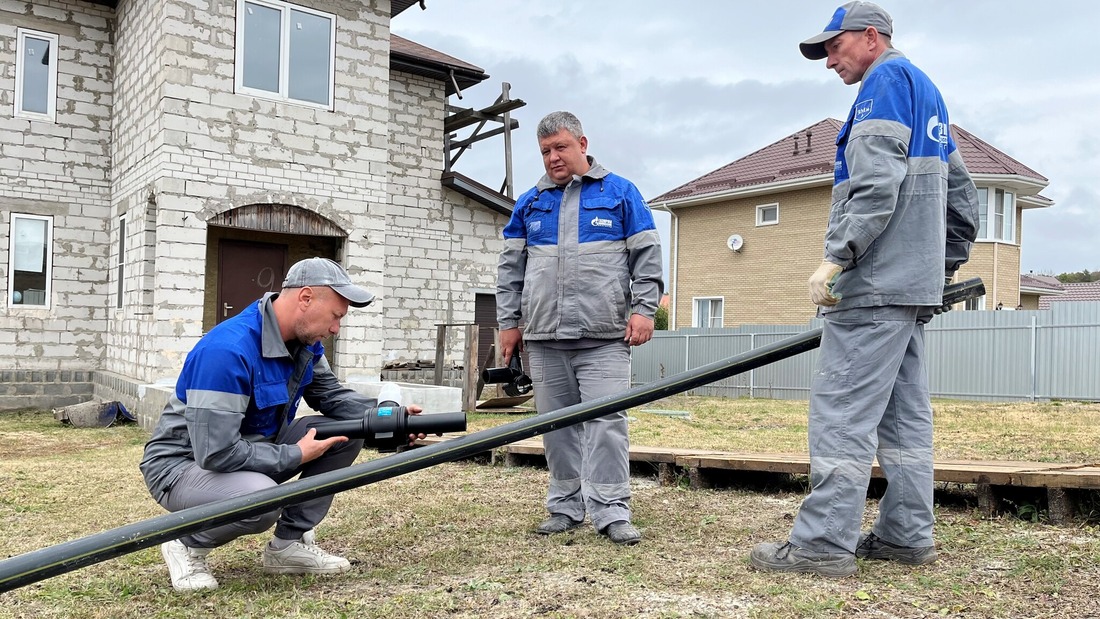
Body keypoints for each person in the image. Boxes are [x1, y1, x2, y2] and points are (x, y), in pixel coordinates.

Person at [750, 2, 980, 577]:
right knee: (904, 419)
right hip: (908, 289)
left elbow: (875, 185)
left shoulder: (882, 86)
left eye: (834, 47)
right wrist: (936, 269)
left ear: (871, 37)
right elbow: (963, 201)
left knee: (842, 414)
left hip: (873, 287)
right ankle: (906, 536)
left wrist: (835, 259)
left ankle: (821, 546)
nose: (828, 61)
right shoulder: (926, 91)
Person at [140, 257, 423, 591]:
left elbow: (332, 397)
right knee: (262, 501)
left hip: (254, 451)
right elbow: (215, 453)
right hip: (183, 467)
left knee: (347, 430)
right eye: (336, 316)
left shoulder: (304, 345)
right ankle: (185, 542)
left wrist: (388, 418)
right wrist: (295, 455)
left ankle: (287, 546)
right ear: (305, 298)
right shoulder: (227, 351)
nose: (336, 329)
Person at [496, 111, 664, 546]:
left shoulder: (621, 193)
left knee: (607, 422)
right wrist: (508, 323)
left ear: (583, 144)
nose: (553, 157)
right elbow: (510, 270)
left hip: (604, 337)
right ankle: (566, 506)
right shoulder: (530, 203)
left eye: (561, 147)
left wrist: (645, 310)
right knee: (556, 426)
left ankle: (611, 511)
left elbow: (646, 259)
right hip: (545, 338)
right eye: (546, 151)